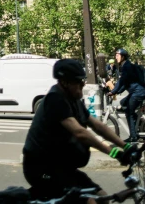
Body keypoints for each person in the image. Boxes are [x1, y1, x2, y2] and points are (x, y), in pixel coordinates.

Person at [23, 59, 136, 199]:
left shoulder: (74, 99)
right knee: (88, 201)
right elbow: (80, 133)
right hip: (42, 168)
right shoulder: (55, 99)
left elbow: (97, 125)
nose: (83, 84)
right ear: (65, 82)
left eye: (83, 80)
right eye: (79, 81)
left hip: (62, 167)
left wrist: (126, 146)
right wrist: (115, 153)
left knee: (101, 197)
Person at [110, 49, 145, 142]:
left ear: (123, 57)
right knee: (123, 102)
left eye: (117, 55)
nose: (116, 57)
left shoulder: (127, 66)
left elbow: (122, 81)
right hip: (137, 91)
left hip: (138, 92)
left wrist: (113, 91)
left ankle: (133, 136)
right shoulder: (126, 66)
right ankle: (137, 122)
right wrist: (116, 91)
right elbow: (125, 83)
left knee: (128, 112)